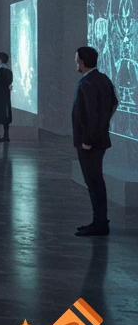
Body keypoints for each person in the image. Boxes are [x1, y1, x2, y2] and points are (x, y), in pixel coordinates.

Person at [72, 46, 118, 236]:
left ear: (82, 61)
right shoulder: (103, 79)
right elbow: (113, 104)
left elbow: (92, 114)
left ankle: (99, 224)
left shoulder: (88, 83)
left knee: (94, 182)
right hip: (99, 140)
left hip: (90, 143)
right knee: (96, 182)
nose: (75, 62)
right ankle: (100, 221)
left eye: (76, 59)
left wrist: (88, 139)